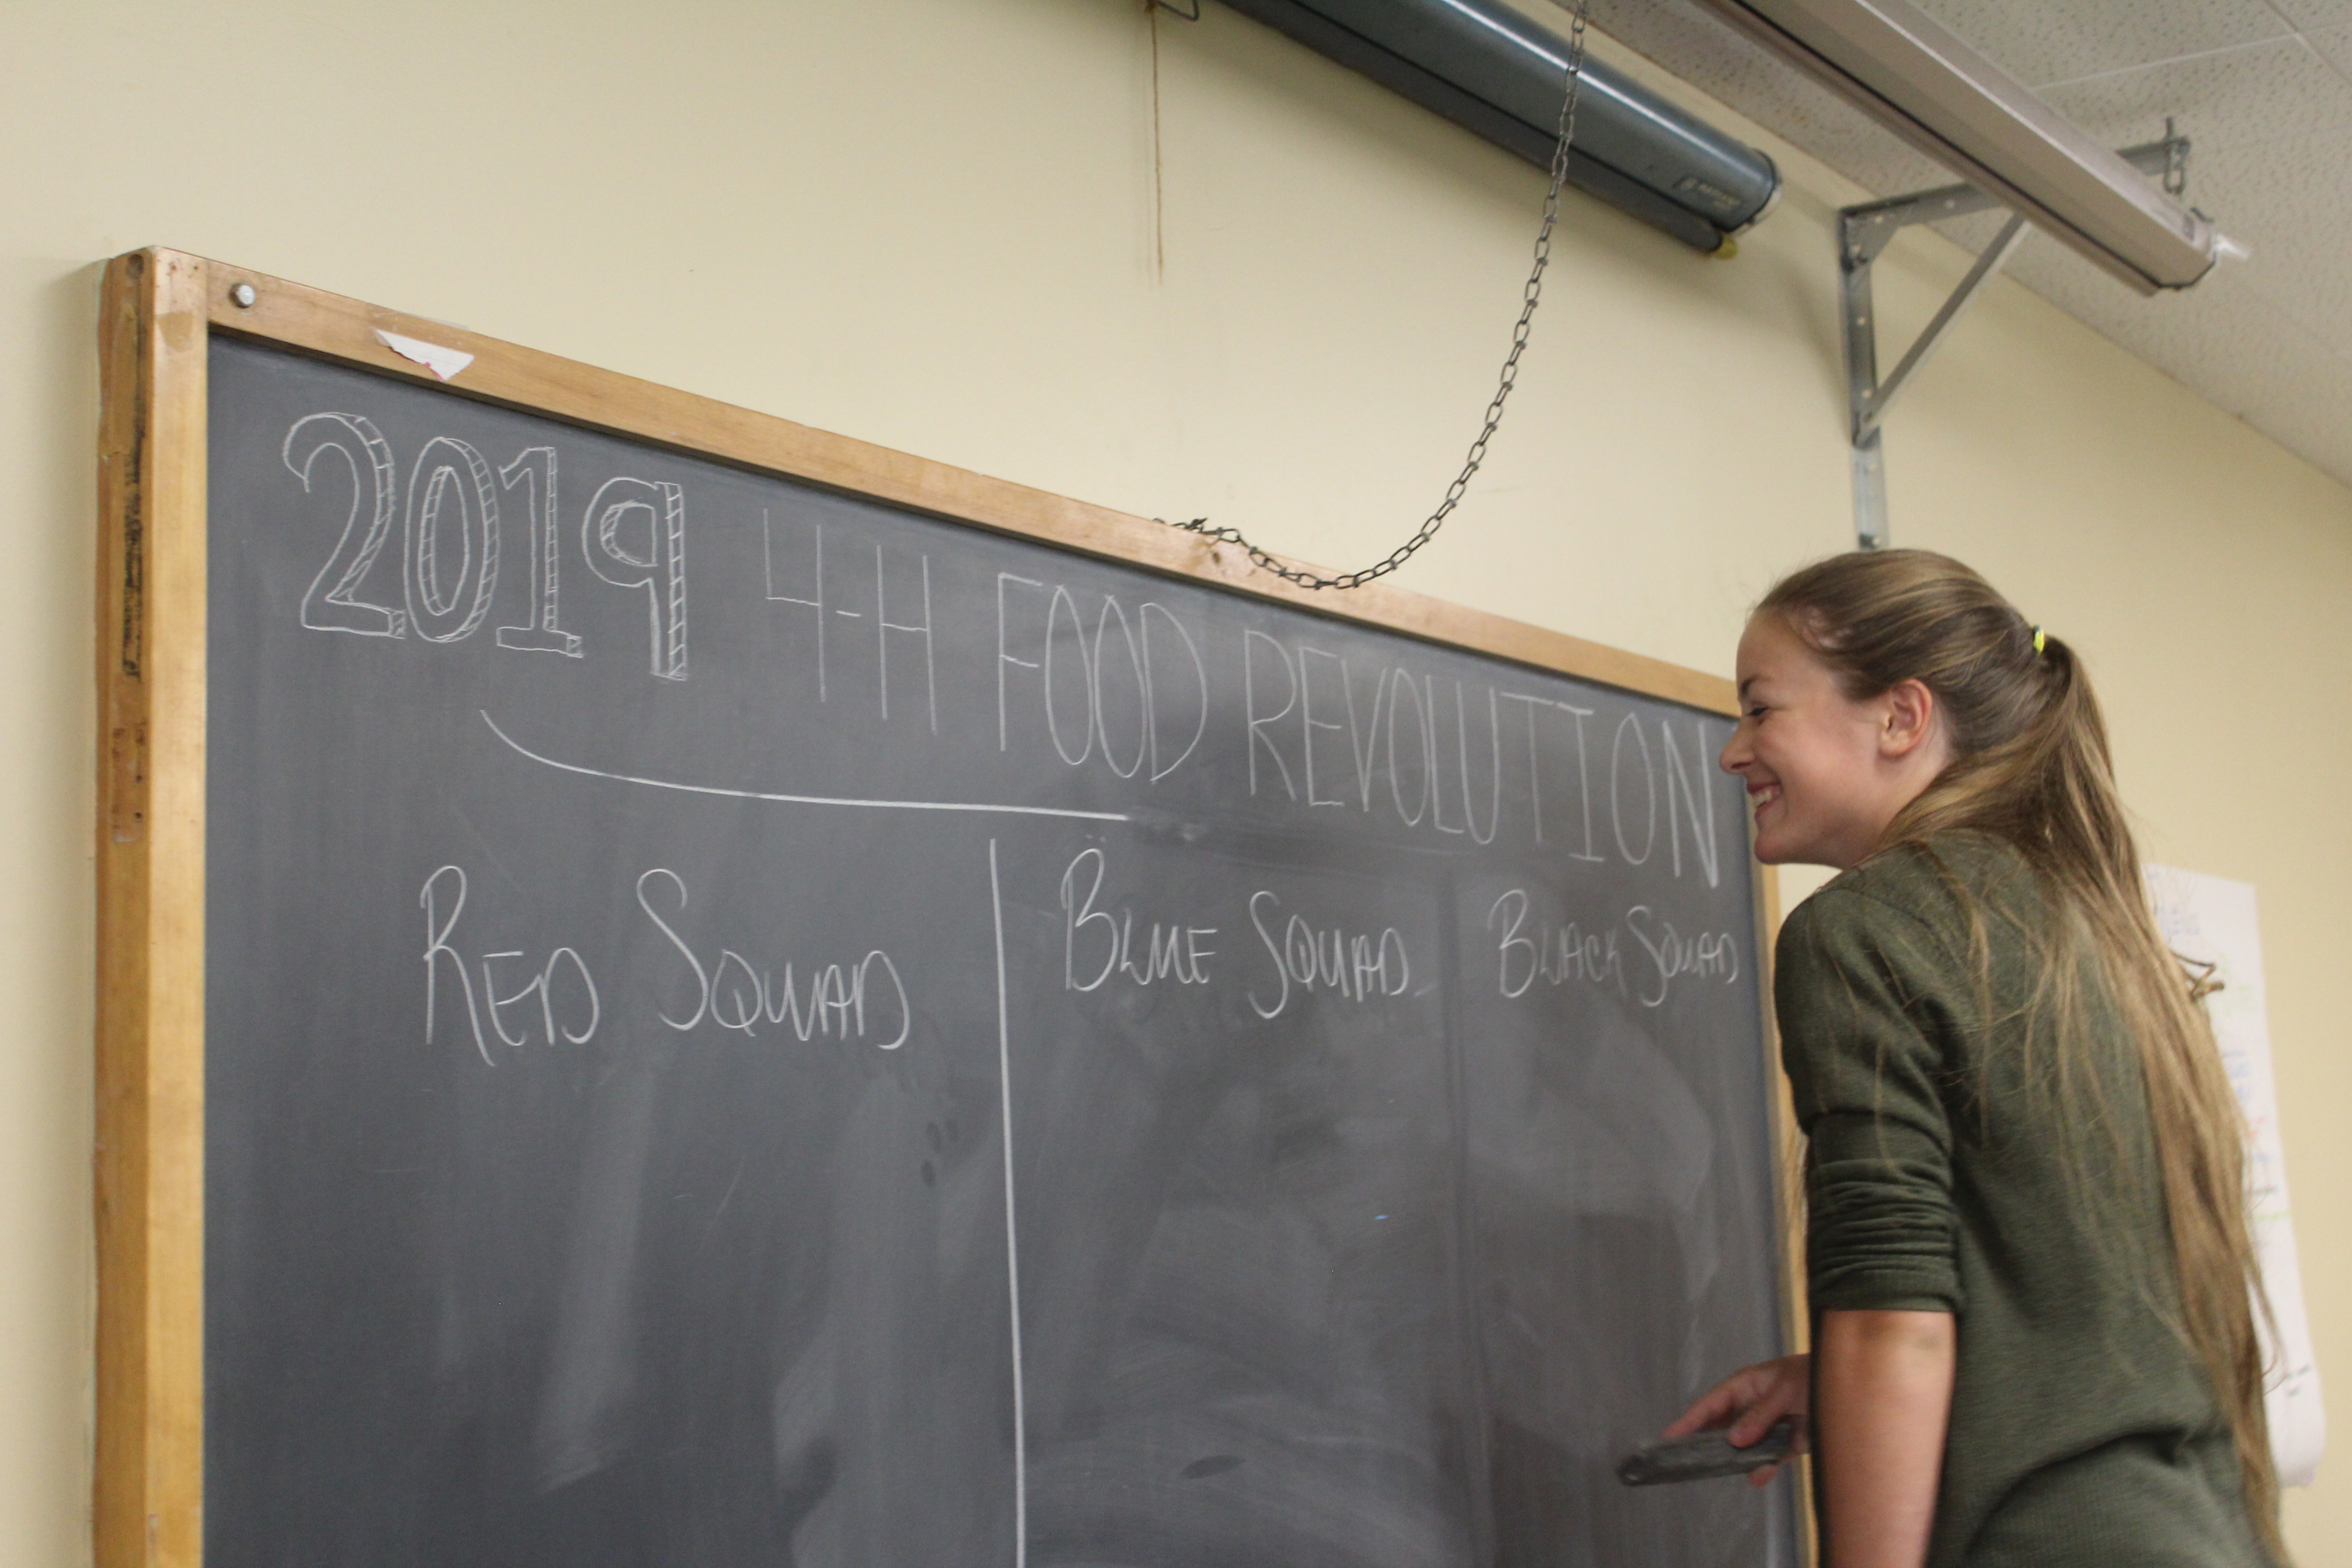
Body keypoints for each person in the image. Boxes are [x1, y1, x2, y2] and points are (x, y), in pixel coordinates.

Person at [1669, 550, 2283, 1567]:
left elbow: (1892, 1322)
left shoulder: (1865, 932)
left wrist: (1858, 1374)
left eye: (1761, 709)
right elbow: (2085, 1303)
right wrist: (1836, 1385)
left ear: (1901, 718)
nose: (1734, 752)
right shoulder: (2106, 935)